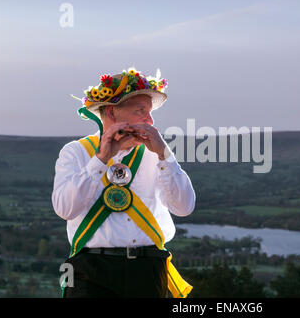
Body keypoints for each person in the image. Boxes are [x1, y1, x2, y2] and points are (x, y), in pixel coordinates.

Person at [52, 67, 195, 298]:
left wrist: (164, 155)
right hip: (90, 270)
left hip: (148, 268)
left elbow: (185, 207)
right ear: (111, 112)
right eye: (140, 111)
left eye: (149, 112)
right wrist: (100, 160)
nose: (150, 120)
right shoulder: (76, 152)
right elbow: (65, 209)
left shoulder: (156, 155)